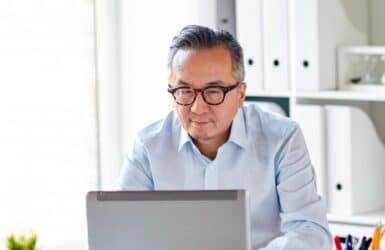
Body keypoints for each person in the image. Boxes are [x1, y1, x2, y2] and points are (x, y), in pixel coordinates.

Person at [118, 25, 332, 250]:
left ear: (240, 94)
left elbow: (311, 233)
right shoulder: (147, 146)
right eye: (185, 90)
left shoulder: (282, 139)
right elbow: (121, 235)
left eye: (213, 91)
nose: (197, 108)